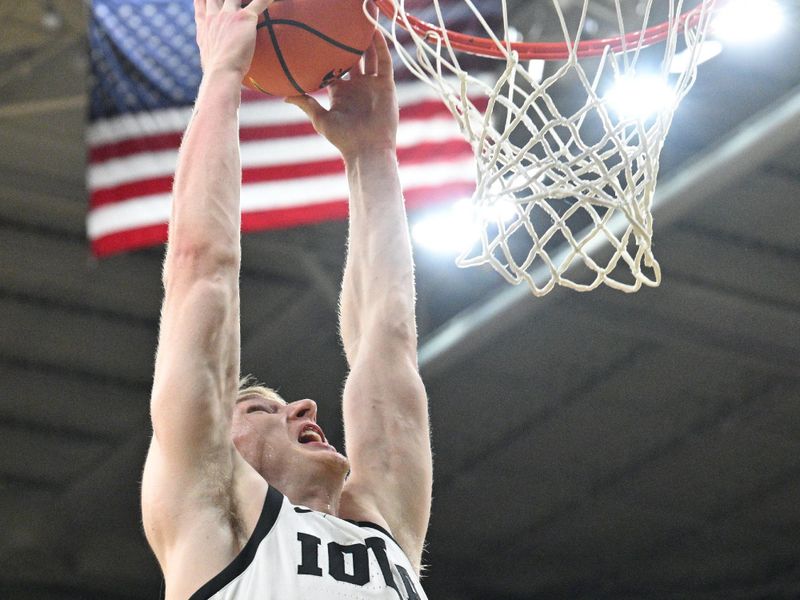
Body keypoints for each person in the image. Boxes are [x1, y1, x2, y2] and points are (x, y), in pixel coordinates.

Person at [140, 0, 432, 598]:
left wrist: (371, 155)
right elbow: (202, 271)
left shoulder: (383, 531)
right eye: (258, 409)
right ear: (211, 444)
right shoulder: (212, 521)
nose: (303, 406)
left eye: (267, 405)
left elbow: (389, 339)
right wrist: (222, 73)